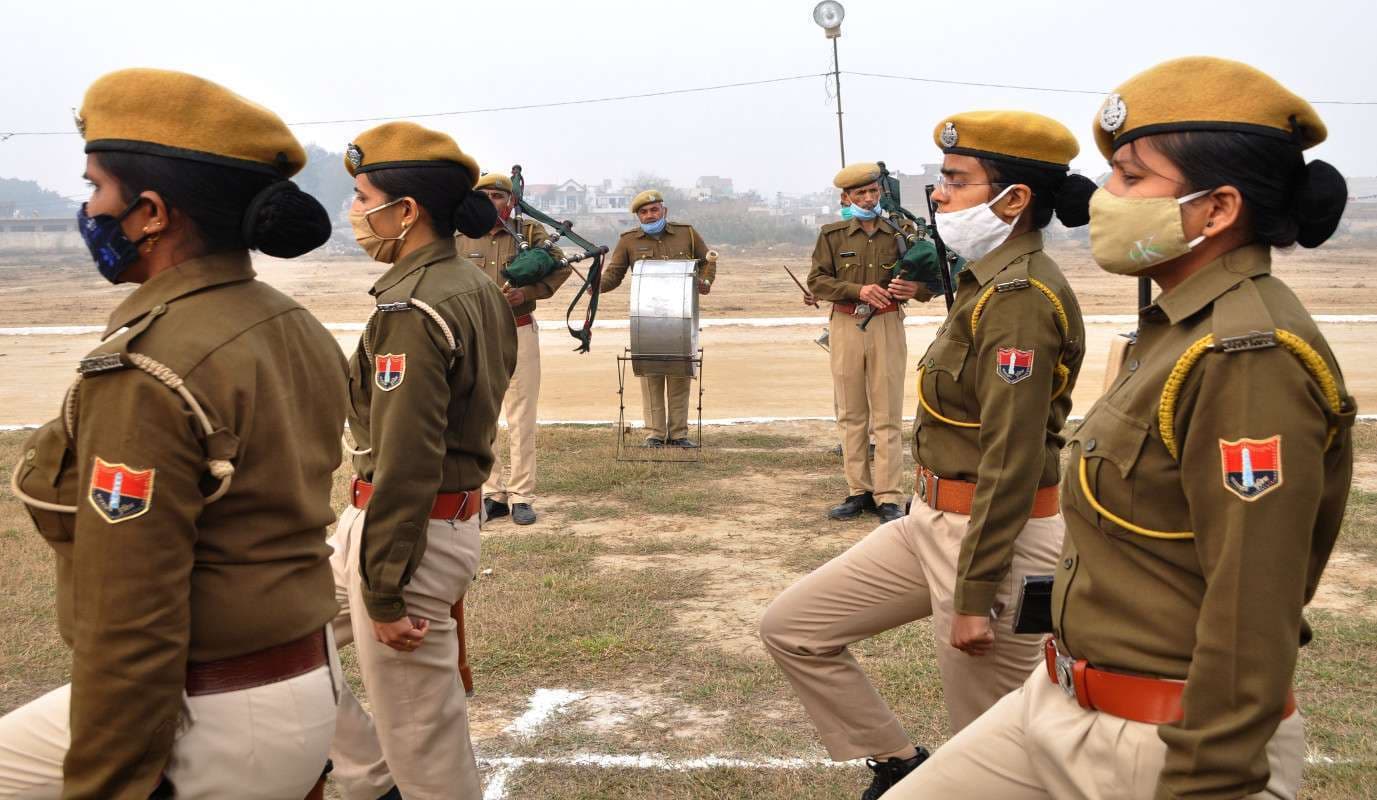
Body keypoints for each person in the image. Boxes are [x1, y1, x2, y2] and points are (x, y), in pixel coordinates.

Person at [892, 57, 1356, 800]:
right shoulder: (1174, 330)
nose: (1103, 198)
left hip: (1158, 743)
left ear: (1216, 209)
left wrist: (1207, 781)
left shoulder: (1245, 357)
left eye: (1131, 179)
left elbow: (1250, 610)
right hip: (1059, 701)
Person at [1, 68, 346, 799]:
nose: (88, 207)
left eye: (96, 187)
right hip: (302, 684)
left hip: (210, 714)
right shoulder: (293, 323)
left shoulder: (147, 366)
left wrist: (113, 784)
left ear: (151, 213)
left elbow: (132, 618)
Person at [764, 114, 1094, 799]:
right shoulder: (978, 284)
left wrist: (973, 594)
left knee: (998, 747)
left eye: (954, 179)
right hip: (928, 521)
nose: (937, 194)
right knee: (794, 628)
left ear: (1013, 200)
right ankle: (897, 763)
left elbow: (1010, 455)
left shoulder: (1019, 299)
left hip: (992, 537)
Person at [329, 122, 517, 800]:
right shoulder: (467, 283)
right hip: (407, 526)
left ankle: (385, 777)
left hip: (402, 536)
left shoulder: (415, 307)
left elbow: (408, 458)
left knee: (425, 747)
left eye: (360, 197)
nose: (354, 214)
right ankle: (366, 776)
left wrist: (383, 587)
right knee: (276, 640)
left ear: (403, 211)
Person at [806, 163, 922, 523]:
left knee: (887, 414)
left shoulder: (901, 232)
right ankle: (859, 491)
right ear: (846, 198)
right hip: (845, 324)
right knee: (851, 412)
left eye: (873, 192)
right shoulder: (833, 235)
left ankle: (888, 495)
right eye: (860, 194)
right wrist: (858, 290)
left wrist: (916, 290)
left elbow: (931, 279)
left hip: (887, 324)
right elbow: (817, 281)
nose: (869, 199)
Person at [457, 172, 571, 526]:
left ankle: (521, 495)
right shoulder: (460, 236)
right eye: (485, 196)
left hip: (518, 330)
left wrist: (529, 293)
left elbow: (561, 266)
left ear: (511, 200)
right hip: (476, 333)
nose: (492, 202)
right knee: (480, 414)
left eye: (498, 196)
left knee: (520, 414)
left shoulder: (530, 233)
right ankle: (492, 493)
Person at [601, 189, 715, 447]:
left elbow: (708, 260)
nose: (650, 215)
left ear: (664, 211)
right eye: (644, 212)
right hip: (647, 317)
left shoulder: (686, 233)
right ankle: (655, 433)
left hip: (681, 316)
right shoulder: (628, 241)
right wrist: (595, 286)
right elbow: (614, 274)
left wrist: (706, 280)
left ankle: (679, 434)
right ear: (637, 216)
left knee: (680, 373)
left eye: (654, 210)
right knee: (651, 372)